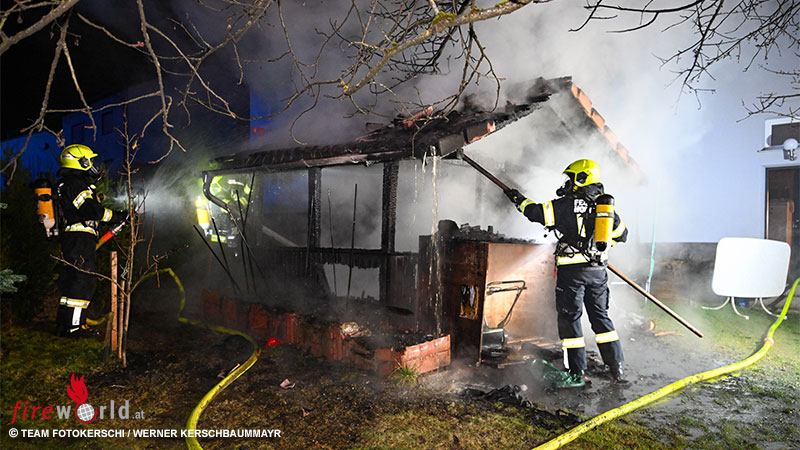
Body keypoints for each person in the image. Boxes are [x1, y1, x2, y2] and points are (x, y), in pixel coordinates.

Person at [505, 159, 628, 387]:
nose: (568, 183)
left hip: (572, 273)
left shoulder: (565, 205)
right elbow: (623, 235)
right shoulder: (606, 209)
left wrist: (517, 199)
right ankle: (616, 368)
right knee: (601, 318)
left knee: (570, 319)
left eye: (571, 178)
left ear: (581, 179)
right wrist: (599, 247)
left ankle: (577, 370)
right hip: (598, 272)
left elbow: (535, 213)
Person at [55, 144, 126, 338]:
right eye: (91, 160)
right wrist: (118, 216)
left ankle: (65, 325)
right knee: (83, 282)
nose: (93, 164)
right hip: (79, 240)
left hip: (74, 239)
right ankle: (75, 329)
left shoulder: (70, 182)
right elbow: (91, 212)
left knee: (74, 283)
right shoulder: (77, 183)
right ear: (82, 161)